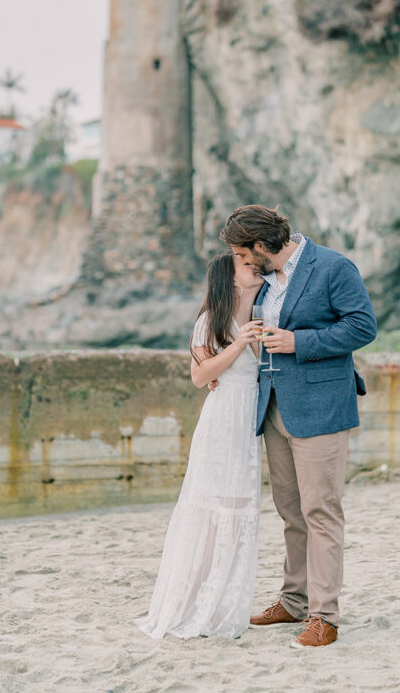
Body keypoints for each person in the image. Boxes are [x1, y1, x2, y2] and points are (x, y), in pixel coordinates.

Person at [219, 205, 377, 649]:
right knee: (291, 513)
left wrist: (298, 341)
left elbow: (363, 326)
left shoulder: (332, 267)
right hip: (272, 406)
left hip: (322, 406)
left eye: (242, 253)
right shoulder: (264, 280)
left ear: (262, 245)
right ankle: (293, 600)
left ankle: (324, 616)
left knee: (321, 511)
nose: (242, 262)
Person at [136, 252, 264, 639]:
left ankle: (222, 604)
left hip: (249, 423)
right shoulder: (211, 321)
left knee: (240, 509)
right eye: (246, 264)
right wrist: (239, 343)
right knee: (211, 511)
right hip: (222, 420)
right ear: (231, 279)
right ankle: (190, 604)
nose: (255, 267)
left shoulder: (263, 314)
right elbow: (199, 375)